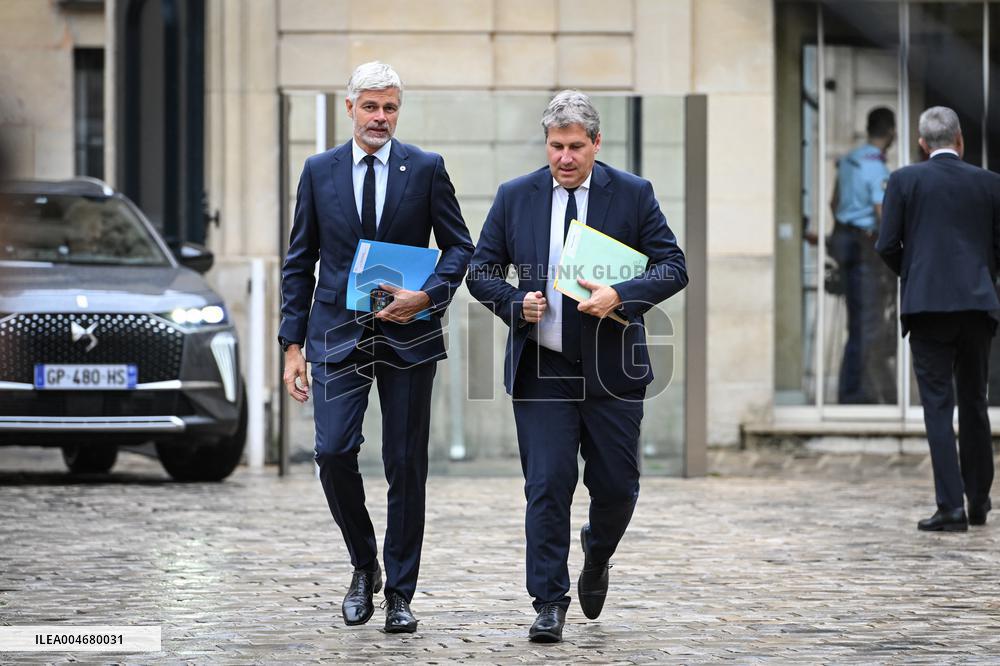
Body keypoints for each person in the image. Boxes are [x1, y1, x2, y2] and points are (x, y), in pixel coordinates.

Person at [466, 90, 687, 642]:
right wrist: (514, 303)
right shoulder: (515, 196)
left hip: (613, 371)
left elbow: (673, 266)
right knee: (547, 485)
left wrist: (620, 295)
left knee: (617, 487)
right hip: (542, 368)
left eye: (575, 147)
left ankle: (597, 551)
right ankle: (548, 602)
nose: (564, 158)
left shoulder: (632, 194)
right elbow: (481, 270)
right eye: (555, 146)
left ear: (596, 143)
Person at [279, 61, 473, 632]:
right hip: (336, 334)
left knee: (405, 464)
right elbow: (299, 262)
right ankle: (364, 565)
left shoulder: (426, 169)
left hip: (408, 335)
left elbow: (459, 247)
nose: (380, 117)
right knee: (334, 452)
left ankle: (401, 594)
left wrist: (428, 295)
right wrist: (292, 346)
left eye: (389, 107)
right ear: (350, 109)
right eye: (370, 106)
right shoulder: (319, 171)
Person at [876, 106, 1000, 532]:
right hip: (976, 305)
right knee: (974, 401)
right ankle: (979, 500)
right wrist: (980, 277)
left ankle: (950, 507)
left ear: (921, 143)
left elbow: (886, 244)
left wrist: (915, 275)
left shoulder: (903, 180)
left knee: (937, 406)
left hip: (927, 307)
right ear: (960, 139)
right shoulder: (990, 182)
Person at [828, 107, 898, 404]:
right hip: (864, 247)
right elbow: (883, 215)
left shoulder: (848, 160)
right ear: (891, 131)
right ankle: (855, 392)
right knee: (867, 323)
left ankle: (855, 388)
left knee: (856, 320)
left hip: (843, 240)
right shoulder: (877, 167)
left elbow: (833, 203)